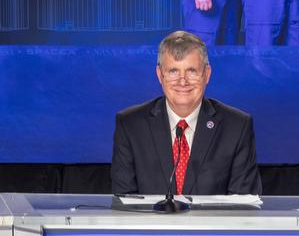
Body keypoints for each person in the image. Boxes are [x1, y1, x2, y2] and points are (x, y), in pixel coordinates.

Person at [112, 30, 261, 195]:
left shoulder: (236, 126)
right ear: (160, 75)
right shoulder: (131, 125)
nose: (182, 81)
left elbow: (243, 206)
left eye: (191, 71)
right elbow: (124, 201)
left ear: (207, 74)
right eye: (173, 71)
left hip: (214, 222)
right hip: (150, 222)